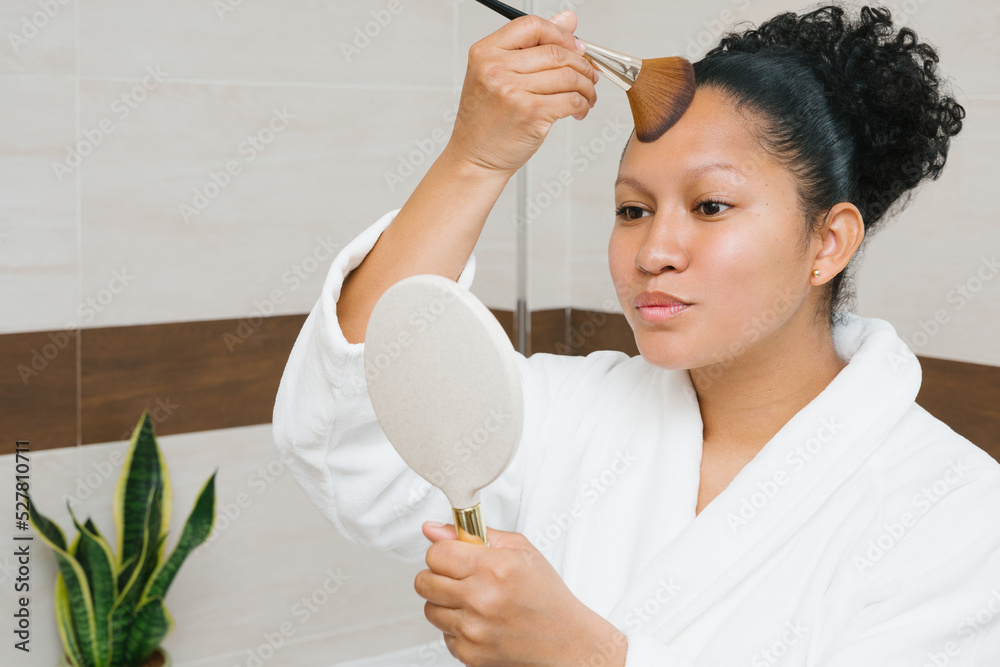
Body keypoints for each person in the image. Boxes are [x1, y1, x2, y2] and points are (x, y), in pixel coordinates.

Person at [273, 5, 1000, 666]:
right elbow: (351, 425)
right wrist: (475, 160)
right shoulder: (565, 414)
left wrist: (589, 655)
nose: (654, 251)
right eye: (632, 210)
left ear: (827, 242)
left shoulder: (954, 508)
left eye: (710, 206)